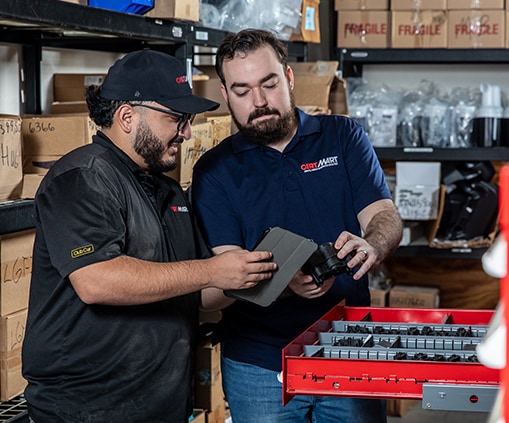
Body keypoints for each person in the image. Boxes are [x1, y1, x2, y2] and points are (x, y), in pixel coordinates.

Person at [21, 48, 277, 423]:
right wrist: (211, 270)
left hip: (160, 406)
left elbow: (203, 294)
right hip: (85, 411)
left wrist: (263, 274)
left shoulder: (168, 191)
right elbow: (96, 280)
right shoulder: (83, 178)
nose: (187, 133)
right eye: (176, 118)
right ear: (127, 116)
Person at [191, 29, 403, 423]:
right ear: (225, 93)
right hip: (259, 361)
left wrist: (372, 244)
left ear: (288, 77)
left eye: (268, 84)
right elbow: (223, 275)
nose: (259, 101)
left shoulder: (343, 137)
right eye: (241, 90)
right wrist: (284, 283)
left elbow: (383, 215)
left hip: (349, 347)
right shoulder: (214, 172)